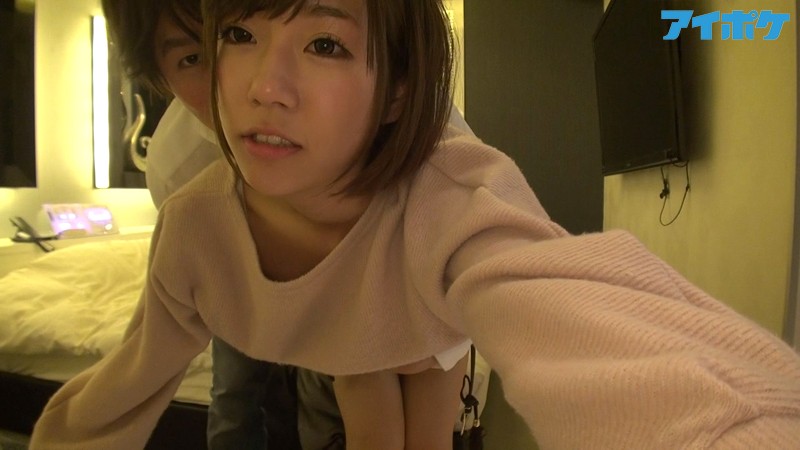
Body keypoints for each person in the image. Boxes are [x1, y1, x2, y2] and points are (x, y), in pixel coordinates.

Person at [31, 0, 800, 449]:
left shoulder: (447, 190)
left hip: (425, 313)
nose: (263, 87)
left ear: (397, 90)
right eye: (234, 36)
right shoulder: (192, 211)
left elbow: (597, 329)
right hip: (340, 334)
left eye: (325, 44)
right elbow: (118, 394)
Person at [101, 0, 483, 448]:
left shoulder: (423, 136)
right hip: (260, 287)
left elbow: (465, 239)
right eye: (196, 56)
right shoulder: (180, 174)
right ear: (159, 78)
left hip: (410, 288)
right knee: (237, 395)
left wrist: (415, 347)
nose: (255, 82)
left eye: (322, 46)